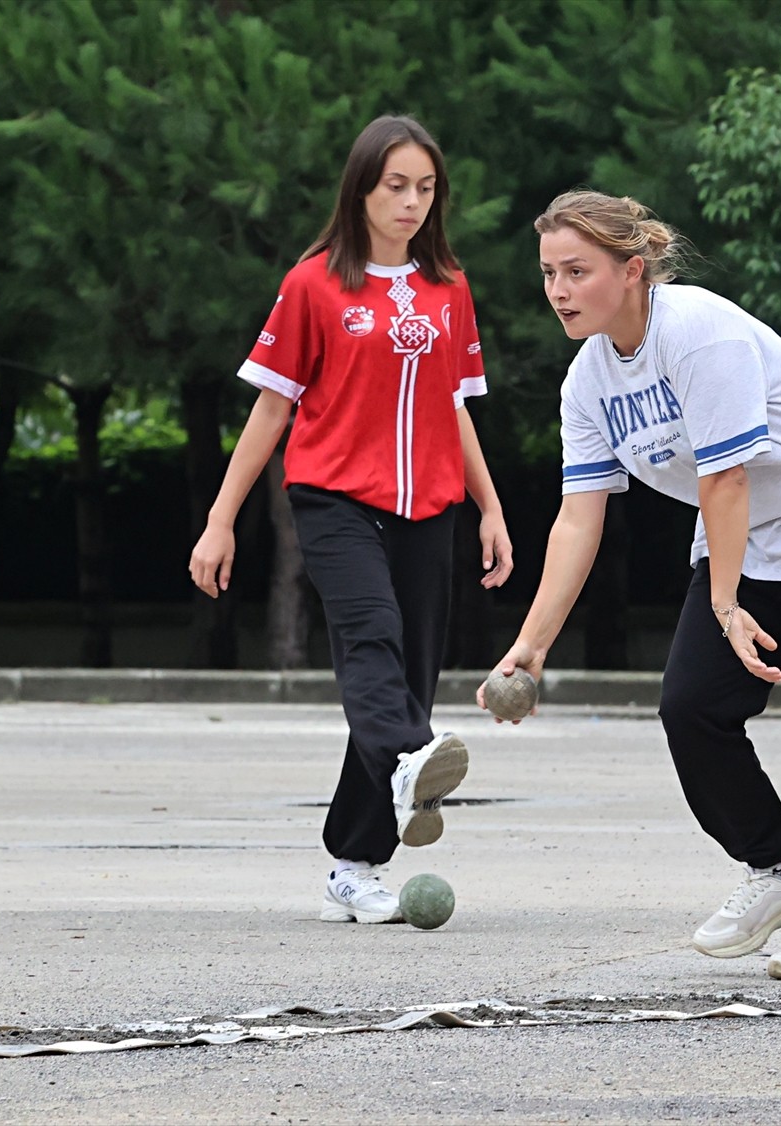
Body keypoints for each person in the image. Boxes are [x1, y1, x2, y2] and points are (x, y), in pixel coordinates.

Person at [479, 190, 781, 982]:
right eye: (549, 273)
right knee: (692, 707)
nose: (559, 291)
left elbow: (726, 478)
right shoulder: (588, 384)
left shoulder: (699, 332)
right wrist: (531, 646)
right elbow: (579, 520)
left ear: (633, 270)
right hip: (749, 541)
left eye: (577, 271)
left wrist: (724, 599)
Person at [190, 115, 512, 925]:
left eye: (425, 188)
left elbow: (457, 408)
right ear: (361, 187)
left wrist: (491, 506)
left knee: (409, 677)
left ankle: (355, 862)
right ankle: (411, 758)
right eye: (395, 186)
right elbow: (271, 410)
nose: (410, 202)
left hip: (429, 505)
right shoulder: (313, 284)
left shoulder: (449, 289)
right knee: (370, 638)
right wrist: (221, 519)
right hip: (334, 498)